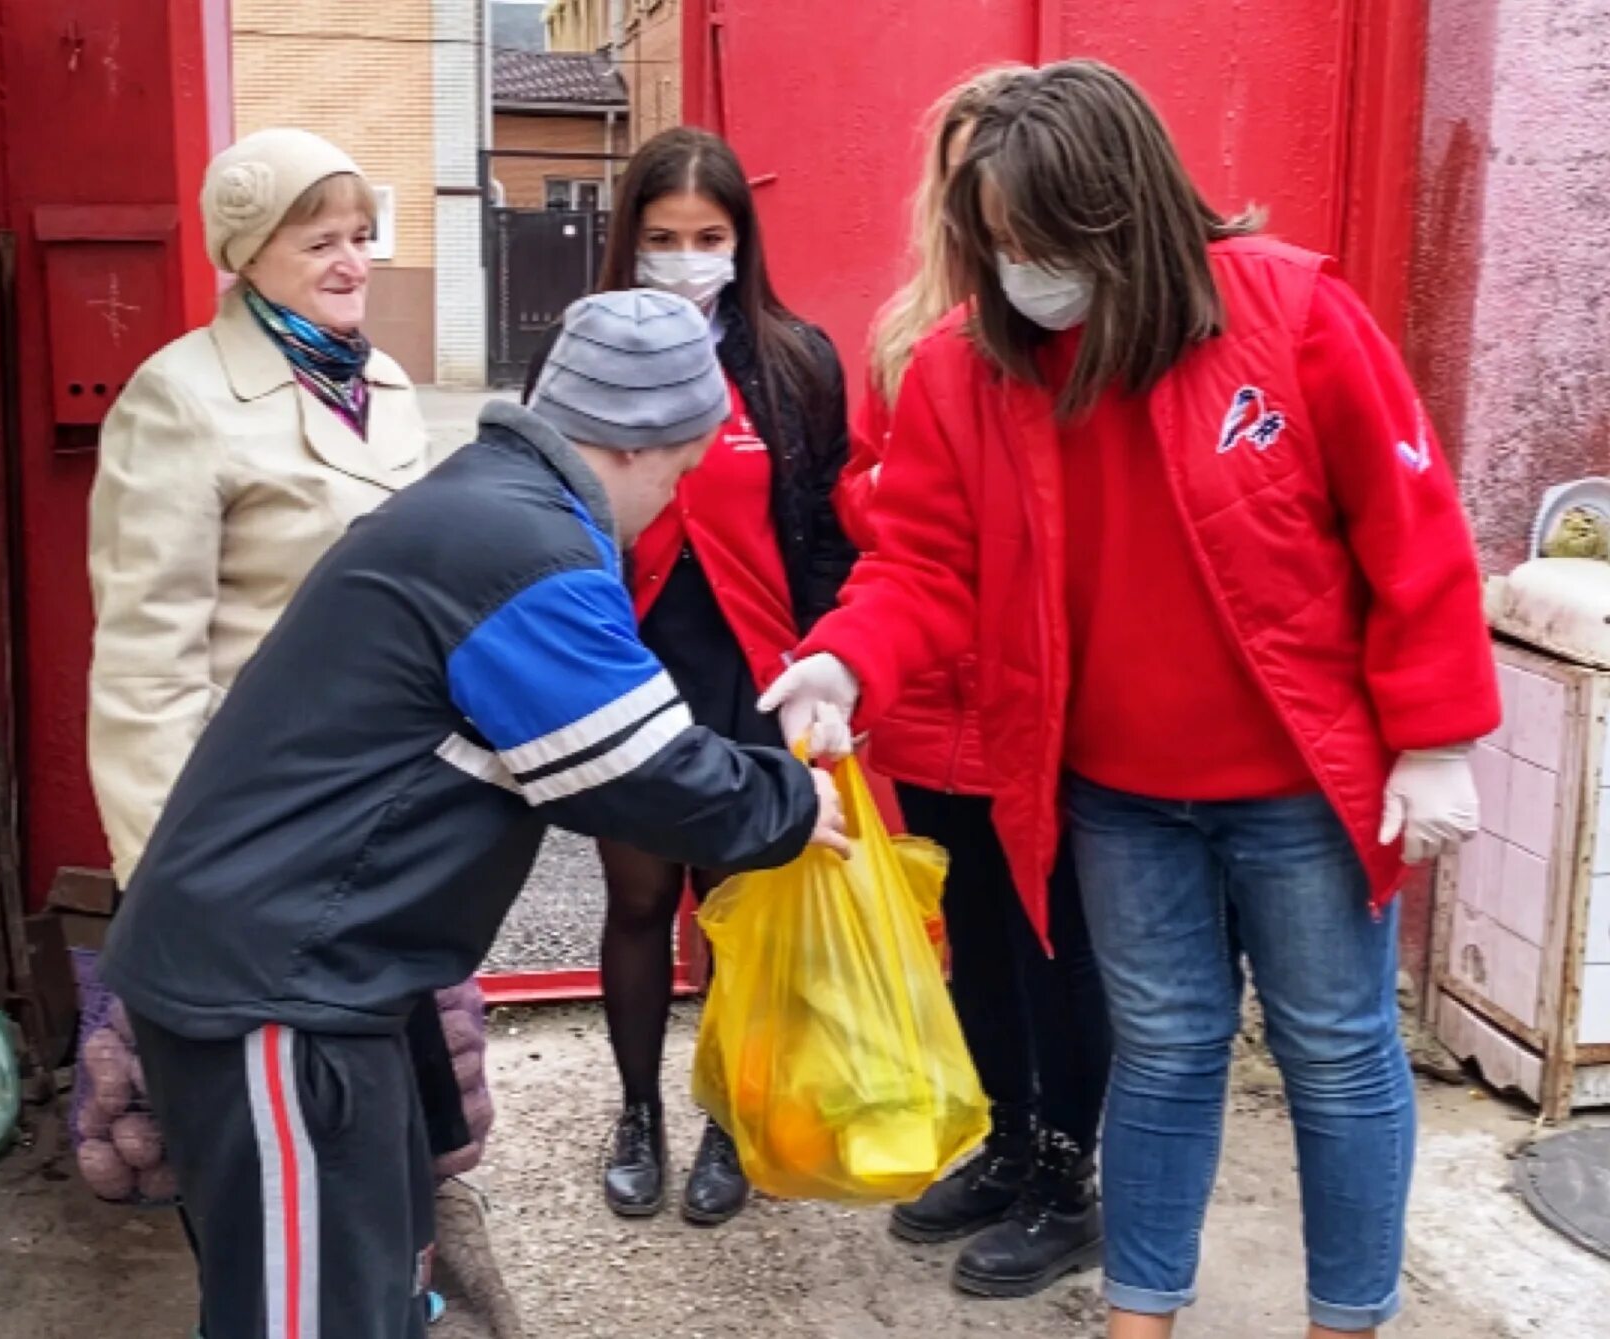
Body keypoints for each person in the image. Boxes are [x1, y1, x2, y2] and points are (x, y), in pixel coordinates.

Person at [763, 61, 1499, 1339]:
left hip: (1299, 790)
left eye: (1042, 240)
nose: (1020, 271)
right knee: (1161, 1056)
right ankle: (1139, 1316)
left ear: (1127, 214)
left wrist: (1432, 737)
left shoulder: (1289, 316)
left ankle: (1348, 1320)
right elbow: (923, 563)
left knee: (1334, 1055)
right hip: (1114, 793)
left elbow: (1407, 527)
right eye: (993, 243)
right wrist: (847, 658)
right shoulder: (961, 369)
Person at [102, 289, 850, 1339]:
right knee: (307, 1318)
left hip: (307, 977)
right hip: (279, 993)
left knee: (368, 1297)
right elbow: (633, 770)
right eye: (679, 474)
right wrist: (791, 797)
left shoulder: (483, 502)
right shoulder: (526, 553)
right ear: (639, 448)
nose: (667, 503)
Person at [85, 128, 487, 1317]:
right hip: (246, 840)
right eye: (319, 241)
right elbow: (143, 663)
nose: (351, 261)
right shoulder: (179, 398)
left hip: (383, 829)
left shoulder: (389, 383)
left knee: (382, 1137)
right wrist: (165, 878)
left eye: (361, 235)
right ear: (246, 252)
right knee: (267, 1163)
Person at [525, 126, 855, 1226]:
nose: (685, 257)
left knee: (733, 907)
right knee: (635, 896)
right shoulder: (576, 351)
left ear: (739, 238)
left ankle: (725, 1117)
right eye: (661, 237)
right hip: (629, 662)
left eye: (707, 236)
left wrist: (831, 661)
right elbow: (546, 516)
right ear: (628, 239)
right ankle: (635, 1113)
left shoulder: (794, 359)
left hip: (750, 671)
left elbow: (823, 535)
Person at [842, 67, 1111, 1298]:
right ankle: (1005, 1140)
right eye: (961, 181)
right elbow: (866, 497)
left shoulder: (1079, 334)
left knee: (1062, 951)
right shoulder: (909, 336)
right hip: (926, 701)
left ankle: (1067, 1170)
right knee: (978, 950)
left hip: (1032, 701)